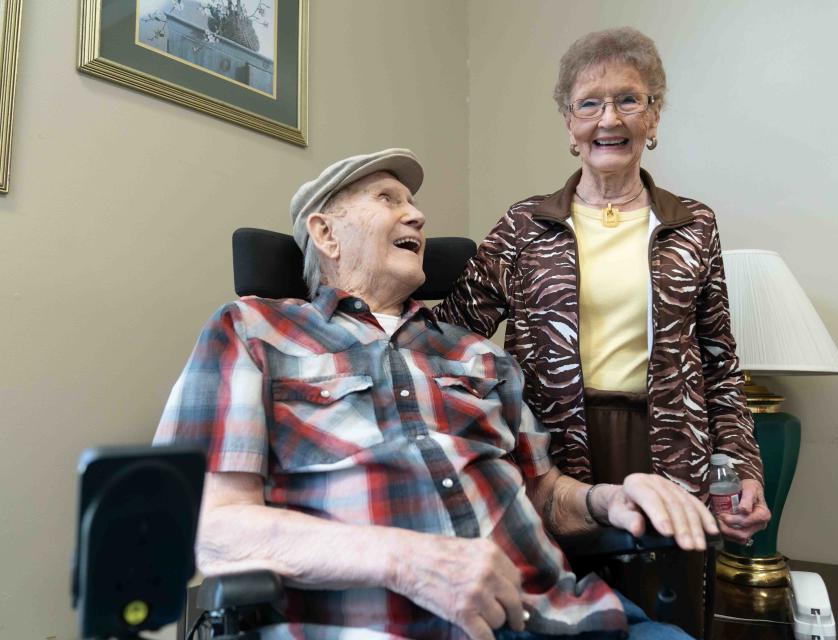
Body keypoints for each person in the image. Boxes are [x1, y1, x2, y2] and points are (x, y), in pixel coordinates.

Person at [154, 148, 720, 640]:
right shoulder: (253, 332)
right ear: (326, 232)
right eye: (388, 198)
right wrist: (406, 560)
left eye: (414, 205)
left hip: (560, 617)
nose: (418, 215)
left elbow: (543, 494)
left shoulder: (477, 353)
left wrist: (608, 499)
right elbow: (208, 529)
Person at [433, 28, 771, 638]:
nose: (608, 119)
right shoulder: (523, 226)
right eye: (589, 103)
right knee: (566, 615)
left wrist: (744, 466)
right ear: (569, 122)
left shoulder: (694, 225)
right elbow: (453, 342)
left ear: (654, 114)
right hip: (554, 454)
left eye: (629, 100)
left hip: (674, 452)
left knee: (668, 613)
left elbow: (720, 364)